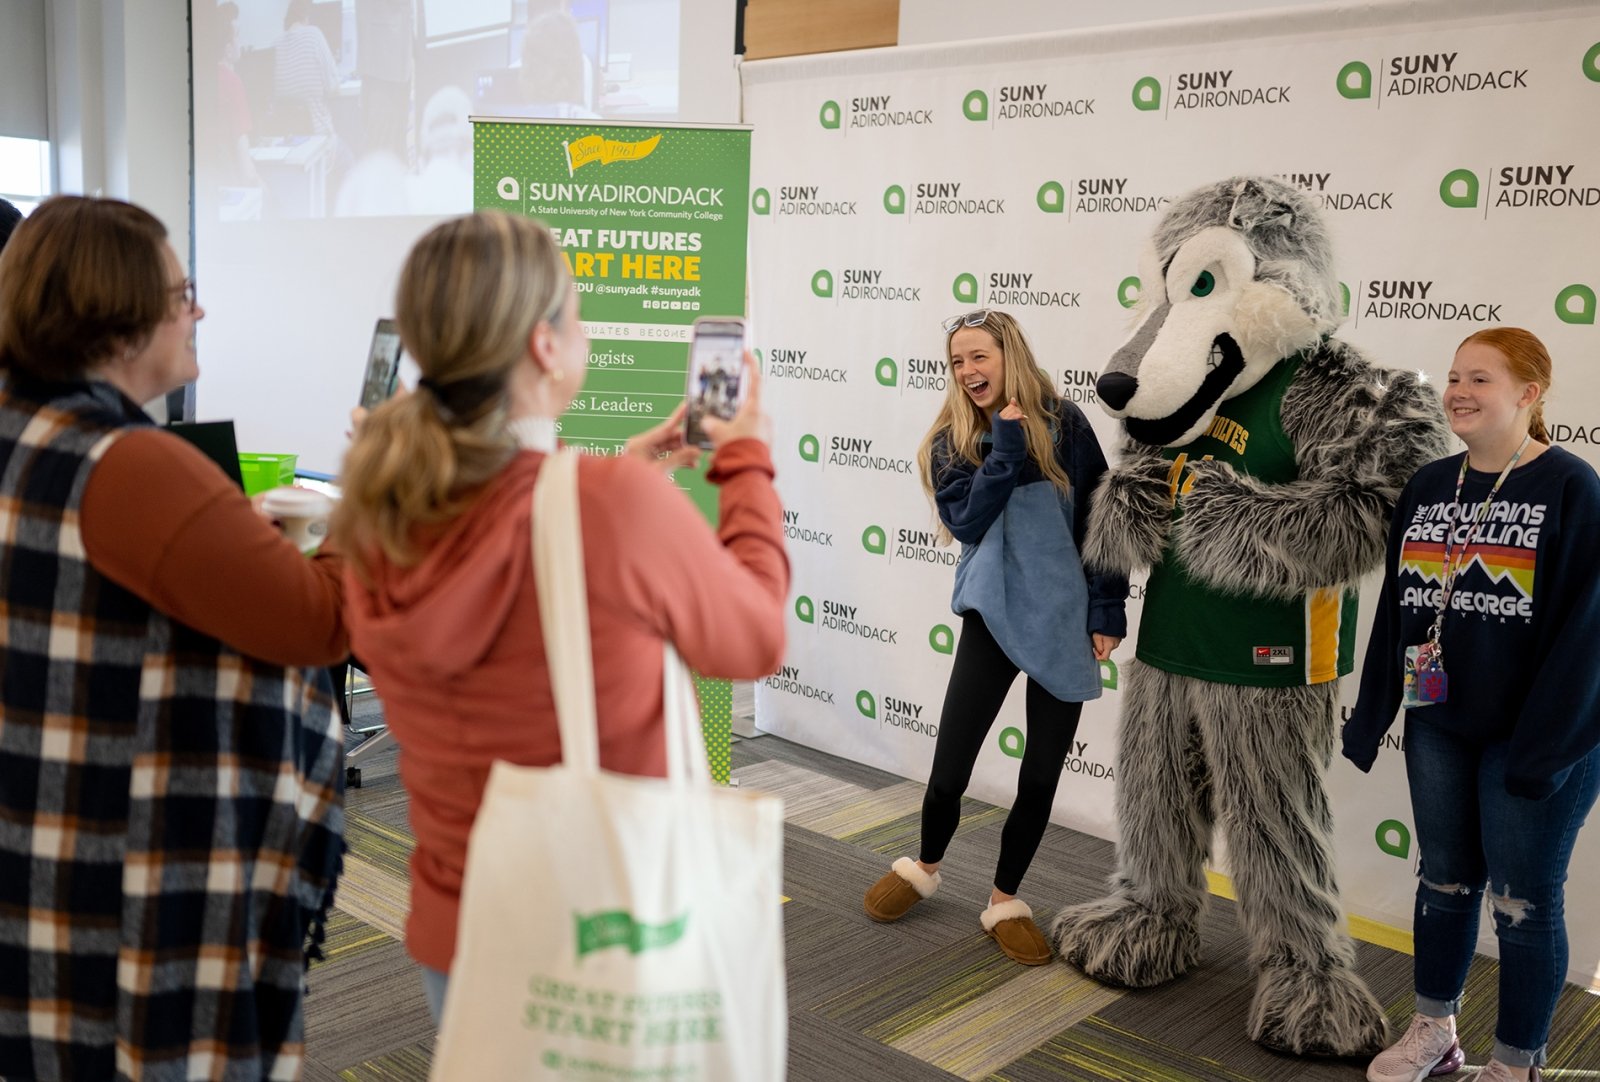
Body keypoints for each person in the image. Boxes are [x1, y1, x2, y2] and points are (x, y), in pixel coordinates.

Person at [334, 210, 788, 1024]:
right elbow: (754, 638)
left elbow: (509, 553)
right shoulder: (604, 507)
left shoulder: (375, 510)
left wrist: (624, 476)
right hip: (607, 925)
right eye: (575, 317)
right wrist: (748, 461)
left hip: (459, 926)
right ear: (546, 347)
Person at [0, 196, 347, 1078]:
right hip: (126, 881)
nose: (199, 309)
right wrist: (368, 506)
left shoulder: (24, 424)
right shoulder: (132, 465)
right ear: (116, 318)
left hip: (38, 838)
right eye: (181, 291)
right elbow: (320, 621)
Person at [1344, 327, 1600, 1082]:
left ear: (1530, 393)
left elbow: (1590, 635)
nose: (1458, 390)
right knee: (1445, 882)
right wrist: (1374, 713)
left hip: (1538, 739)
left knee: (1522, 905)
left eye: (1480, 379)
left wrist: (1545, 750)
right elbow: (1399, 610)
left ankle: (1516, 1063)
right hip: (1441, 726)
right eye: (1455, 376)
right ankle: (1436, 1032)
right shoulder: (1430, 484)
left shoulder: (1571, 487)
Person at [862, 309, 1127, 965]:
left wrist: (1107, 608)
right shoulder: (951, 440)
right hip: (992, 613)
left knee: (1039, 778)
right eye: (957, 361)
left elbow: (1102, 521)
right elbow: (972, 522)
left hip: (1063, 617)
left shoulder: (1066, 424)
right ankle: (924, 865)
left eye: (978, 356)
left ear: (1009, 354)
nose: (967, 371)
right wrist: (1005, 451)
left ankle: (1005, 898)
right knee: (951, 765)